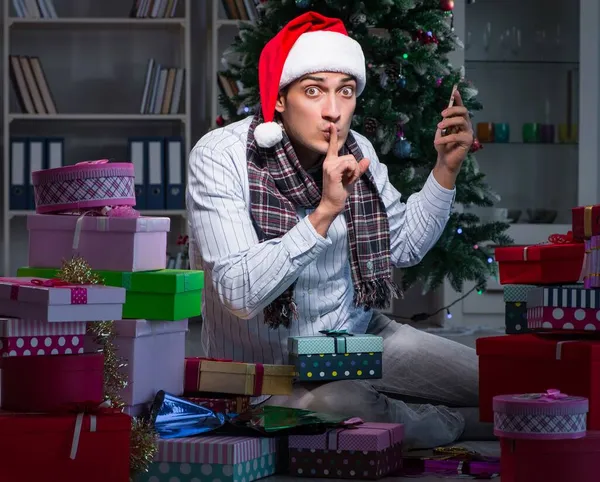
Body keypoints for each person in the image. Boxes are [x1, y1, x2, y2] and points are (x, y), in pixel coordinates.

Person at [186, 11, 491, 449]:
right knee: (343, 403)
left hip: (361, 342)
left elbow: (404, 248)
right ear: (279, 99)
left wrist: (445, 168)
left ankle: (415, 415)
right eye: (313, 92)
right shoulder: (221, 157)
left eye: (345, 92)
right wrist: (324, 212)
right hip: (268, 375)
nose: (332, 112)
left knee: (498, 381)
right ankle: (446, 421)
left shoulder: (358, 150)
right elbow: (238, 294)